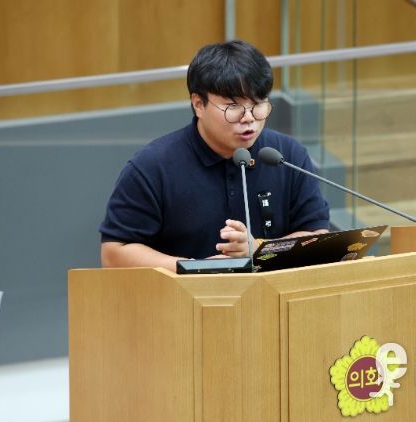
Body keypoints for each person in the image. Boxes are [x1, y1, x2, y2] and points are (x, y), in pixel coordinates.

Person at [100, 40, 329, 272]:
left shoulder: (286, 155)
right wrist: (196, 270)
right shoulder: (152, 166)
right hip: (184, 293)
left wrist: (260, 249)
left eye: (258, 103)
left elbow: (318, 236)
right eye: (233, 106)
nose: (249, 117)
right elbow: (114, 253)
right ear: (198, 104)